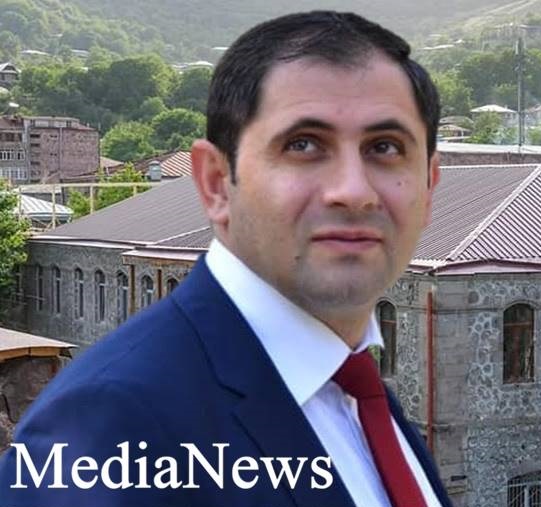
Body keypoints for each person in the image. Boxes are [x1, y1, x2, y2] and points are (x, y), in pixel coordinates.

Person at [0, 11, 451, 507]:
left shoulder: (360, 400)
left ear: (429, 187)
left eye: (385, 147)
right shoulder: (110, 423)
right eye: (303, 145)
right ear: (216, 183)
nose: (353, 191)